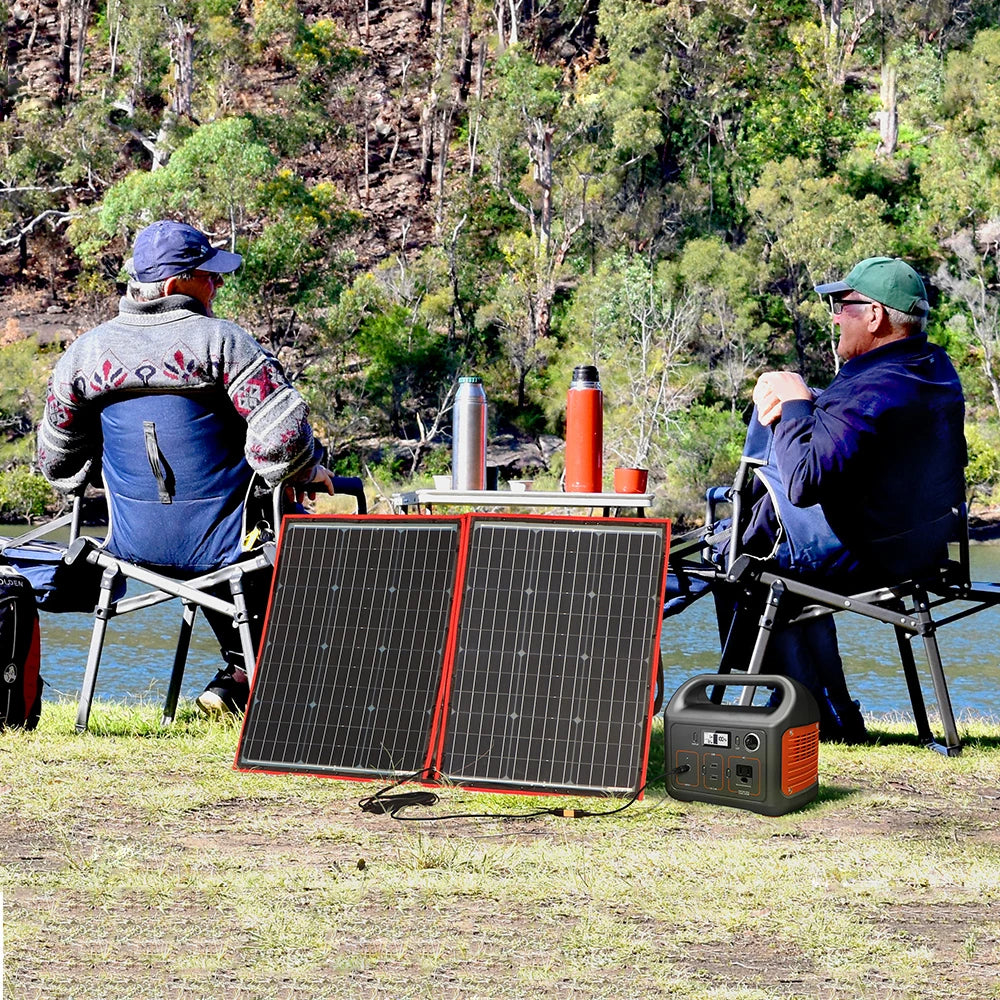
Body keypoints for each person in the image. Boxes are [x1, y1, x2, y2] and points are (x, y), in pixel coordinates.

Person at [37, 219, 334, 717]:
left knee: (235, 531)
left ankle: (237, 679)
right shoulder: (222, 342)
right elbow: (282, 439)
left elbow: (56, 463)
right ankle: (269, 682)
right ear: (177, 286)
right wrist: (305, 471)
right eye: (208, 275)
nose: (217, 284)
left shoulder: (83, 354)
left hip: (130, 548)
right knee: (268, 527)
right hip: (223, 545)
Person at [728, 256, 967, 739]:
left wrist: (794, 399)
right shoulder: (932, 367)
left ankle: (810, 717)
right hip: (919, 548)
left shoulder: (874, 386)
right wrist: (810, 399)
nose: (835, 315)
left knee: (743, 565)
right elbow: (868, 436)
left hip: (872, 555)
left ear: (875, 316)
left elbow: (802, 483)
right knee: (761, 554)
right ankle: (832, 717)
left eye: (843, 304)